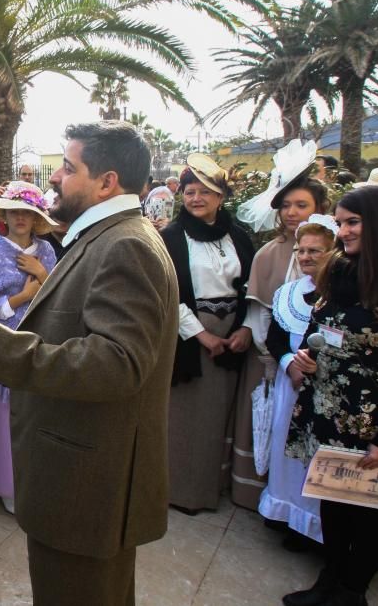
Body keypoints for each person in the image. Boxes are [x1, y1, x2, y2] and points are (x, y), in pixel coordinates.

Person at [0, 121, 178, 605]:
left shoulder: (126, 245)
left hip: (87, 488)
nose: (54, 179)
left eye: (67, 168)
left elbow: (117, 363)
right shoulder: (105, 236)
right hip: (80, 480)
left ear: (107, 181)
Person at [283, 185, 378, 606]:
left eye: (353, 222)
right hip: (324, 407)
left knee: (365, 509)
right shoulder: (336, 269)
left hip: (371, 420)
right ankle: (328, 581)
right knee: (331, 500)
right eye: (340, 222)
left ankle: (353, 592)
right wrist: (303, 354)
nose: (344, 231)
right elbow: (317, 324)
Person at [233, 139, 328, 511]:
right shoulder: (268, 253)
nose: (291, 213)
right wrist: (276, 357)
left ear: (318, 208)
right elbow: (259, 313)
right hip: (273, 361)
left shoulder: (336, 260)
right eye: (286, 206)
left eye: (301, 205)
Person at [161, 154, 255, 515]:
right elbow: (169, 295)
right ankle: (181, 491)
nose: (196, 198)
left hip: (231, 334)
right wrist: (202, 335)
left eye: (205, 191)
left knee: (218, 416)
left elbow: (254, 288)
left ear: (221, 196)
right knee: (185, 418)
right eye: (189, 191)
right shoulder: (170, 237)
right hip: (190, 336)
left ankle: (212, 486)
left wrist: (245, 328)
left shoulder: (239, 237)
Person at [0, 181, 57, 514]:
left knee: (36, 419)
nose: (21, 218)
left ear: (36, 220)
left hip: (39, 345)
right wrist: (23, 296)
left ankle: (36, 483)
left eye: (28, 213)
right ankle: (8, 489)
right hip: (3, 348)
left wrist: (43, 276)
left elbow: (60, 297)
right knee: (3, 420)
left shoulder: (47, 253)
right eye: (15, 211)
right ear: (5, 215)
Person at [258, 215, 337, 550]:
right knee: (286, 455)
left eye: (315, 251)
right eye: (301, 250)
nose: (306, 257)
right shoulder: (289, 293)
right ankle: (287, 515)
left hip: (325, 394)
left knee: (315, 459)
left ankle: (315, 529)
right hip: (291, 388)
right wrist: (289, 363)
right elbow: (275, 339)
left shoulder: (342, 296)